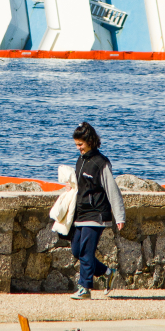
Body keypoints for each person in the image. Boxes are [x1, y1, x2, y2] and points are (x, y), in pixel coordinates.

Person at [69, 122, 125, 300]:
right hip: (81, 213)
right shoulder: (81, 160)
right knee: (77, 251)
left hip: (97, 214)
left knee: (86, 251)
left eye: (81, 144)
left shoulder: (101, 163)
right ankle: (107, 272)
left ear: (90, 141)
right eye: (76, 144)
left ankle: (84, 288)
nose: (78, 148)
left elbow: (112, 189)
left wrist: (120, 216)